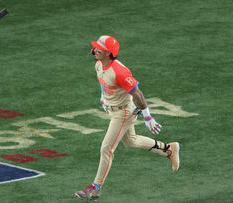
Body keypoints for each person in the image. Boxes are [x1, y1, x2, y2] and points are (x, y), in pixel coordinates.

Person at [74, 35, 180, 201]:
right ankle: (169, 149)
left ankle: (94, 188)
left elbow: (138, 94)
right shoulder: (99, 65)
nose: (94, 50)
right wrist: (104, 98)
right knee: (131, 141)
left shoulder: (120, 72)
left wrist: (148, 117)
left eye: (98, 48)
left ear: (108, 53)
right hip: (114, 110)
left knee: (106, 149)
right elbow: (104, 83)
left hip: (123, 113)